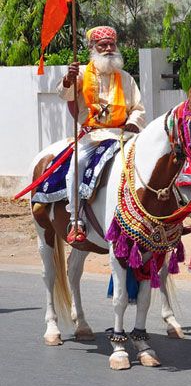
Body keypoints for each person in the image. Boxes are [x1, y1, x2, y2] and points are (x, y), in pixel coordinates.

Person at [58, 25, 145, 243]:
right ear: (92, 48)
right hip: (94, 136)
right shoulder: (80, 74)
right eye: (102, 45)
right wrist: (68, 79)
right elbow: (65, 94)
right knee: (76, 167)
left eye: (111, 44)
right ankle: (76, 220)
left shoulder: (125, 77)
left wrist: (133, 123)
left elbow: (138, 108)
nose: (108, 49)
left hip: (124, 134)